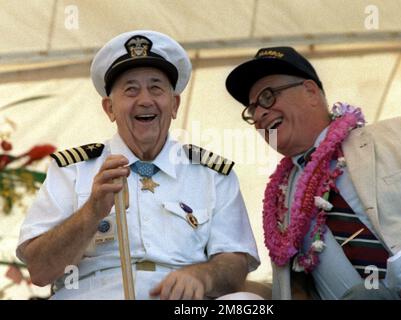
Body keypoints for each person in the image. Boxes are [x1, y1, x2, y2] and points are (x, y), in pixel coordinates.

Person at [16, 30, 260, 300]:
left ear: (174, 104)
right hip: (92, 295)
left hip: (183, 302)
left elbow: (235, 267)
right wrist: (93, 211)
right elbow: (39, 270)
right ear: (109, 108)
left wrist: (202, 275)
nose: (145, 100)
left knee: (246, 303)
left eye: (156, 87)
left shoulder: (212, 174)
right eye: (130, 89)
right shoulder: (72, 170)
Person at [225, 46, 401, 300]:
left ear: (310, 92)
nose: (260, 113)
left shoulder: (396, 135)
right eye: (252, 110)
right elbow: (286, 290)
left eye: (267, 97)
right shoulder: (280, 202)